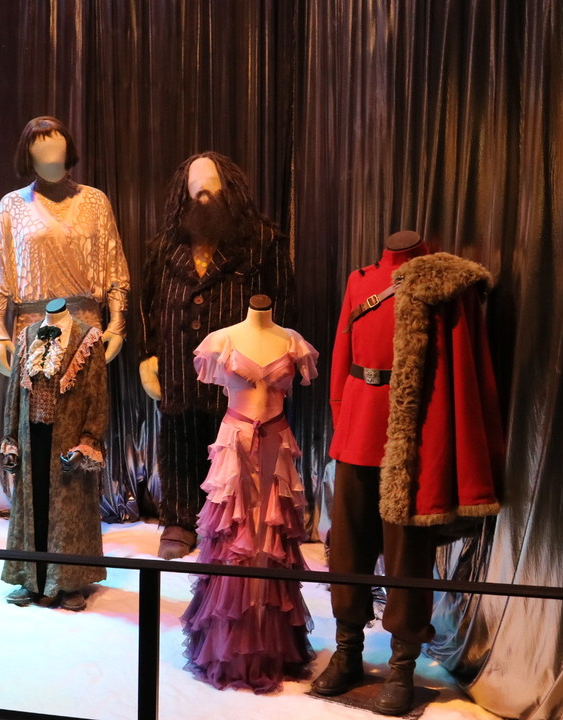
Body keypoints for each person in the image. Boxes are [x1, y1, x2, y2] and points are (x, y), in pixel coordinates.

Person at [315, 232, 503, 716]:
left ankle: (402, 667)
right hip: (359, 426)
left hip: (413, 433)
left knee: (407, 556)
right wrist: (341, 416)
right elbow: (342, 351)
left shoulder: (445, 283)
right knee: (347, 547)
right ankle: (347, 651)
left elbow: (463, 372)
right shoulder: (360, 281)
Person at [139, 152, 295, 559]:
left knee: (238, 445)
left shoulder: (262, 243)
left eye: (213, 188)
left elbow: (284, 304)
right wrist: (148, 354)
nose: (204, 197)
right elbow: (148, 304)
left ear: (231, 190)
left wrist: (278, 361)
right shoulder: (165, 246)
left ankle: (233, 521)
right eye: (197, 190)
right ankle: (179, 518)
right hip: (178, 364)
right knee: (178, 438)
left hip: (240, 371)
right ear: (184, 194)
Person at [179, 294, 315, 692]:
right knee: (234, 535)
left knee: (271, 537)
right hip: (235, 439)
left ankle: (271, 643)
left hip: (276, 439)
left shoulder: (292, 341)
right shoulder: (221, 340)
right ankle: (230, 643)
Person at [0, 115, 130, 374]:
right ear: (28, 154)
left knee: (83, 398)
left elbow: (115, 269)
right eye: (40, 147)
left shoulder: (95, 201)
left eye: (56, 145)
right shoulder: (12, 205)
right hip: (32, 329)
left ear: (67, 149)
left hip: (86, 329)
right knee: (36, 399)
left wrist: (118, 320)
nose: (50, 154)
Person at [0, 299, 108, 612]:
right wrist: (11, 440)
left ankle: (69, 581)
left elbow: (97, 394)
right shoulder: (27, 335)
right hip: (31, 437)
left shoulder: (87, 337)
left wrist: (87, 442)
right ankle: (30, 578)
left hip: (67, 439)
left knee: (68, 510)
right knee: (32, 507)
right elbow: (14, 392)